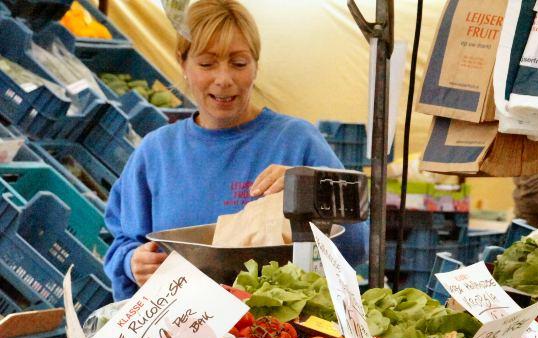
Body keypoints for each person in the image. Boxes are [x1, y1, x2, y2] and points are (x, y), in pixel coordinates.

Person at [104, 0, 368, 300]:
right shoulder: (156, 152)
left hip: (279, 334)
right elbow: (123, 242)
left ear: (256, 66)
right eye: (206, 63)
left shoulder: (296, 141)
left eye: (239, 63)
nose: (224, 79)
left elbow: (356, 247)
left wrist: (314, 191)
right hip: (182, 332)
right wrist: (132, 262)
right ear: (183, 64)